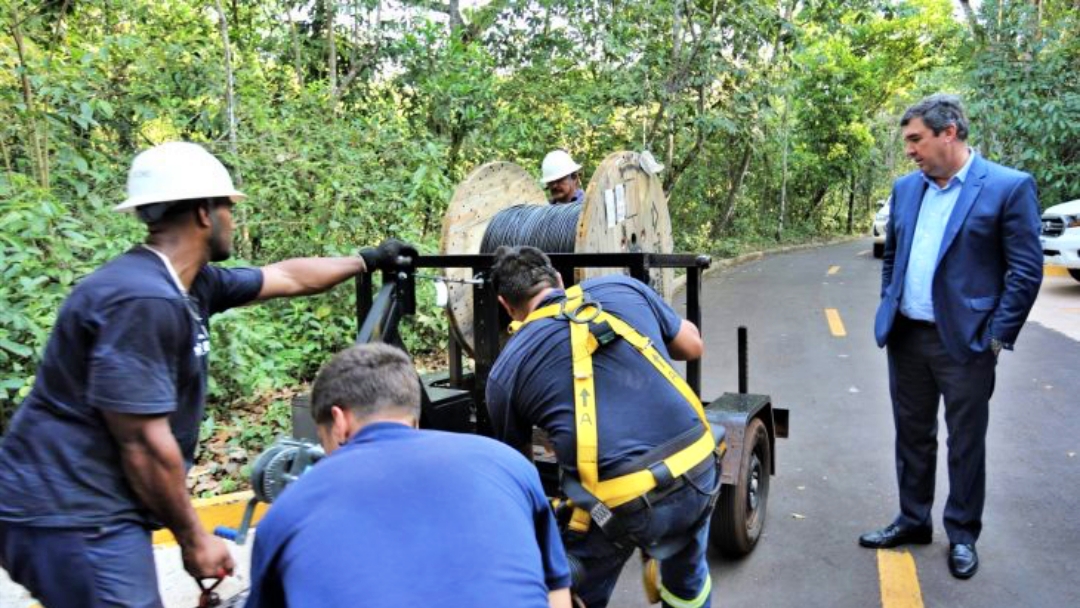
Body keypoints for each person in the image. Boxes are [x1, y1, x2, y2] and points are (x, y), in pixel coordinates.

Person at [0, 141, 414, 607]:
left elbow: (288, 277)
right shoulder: (143, 300)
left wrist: (366, 259)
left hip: (93, 508)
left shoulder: (189, 284)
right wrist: (194, 538)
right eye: (228, 208)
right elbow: (141, 443)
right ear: (203, 213)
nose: (233, 219)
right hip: (72, 513)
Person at [861, 94, 1043, 579]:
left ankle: (962, 534)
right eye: (907, 143)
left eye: (916, 139)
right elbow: (892, 259)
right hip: (907, 337)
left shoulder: (1007, 187)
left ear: (950, 132)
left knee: (965, 441)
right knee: (912, 436)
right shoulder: (906, 189)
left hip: (967, 342)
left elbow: (1025, 272)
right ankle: (913, 520)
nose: (911, 151)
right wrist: (890, 303)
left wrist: (997, 337)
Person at [245, 343, 572, 607]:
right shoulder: (509, 465)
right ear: (413, 418)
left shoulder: (290, 511)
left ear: (339, 422)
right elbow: (557, 592)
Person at [486, 246, 721, 608]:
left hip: (615, 510)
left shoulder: (507, 370)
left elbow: (523, 480)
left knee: (573, 586)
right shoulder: (623, 288)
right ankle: (681, 584)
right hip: (700, 465)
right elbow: (692, 346)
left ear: (505, 305)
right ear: (559, 279)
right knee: (688, 582)